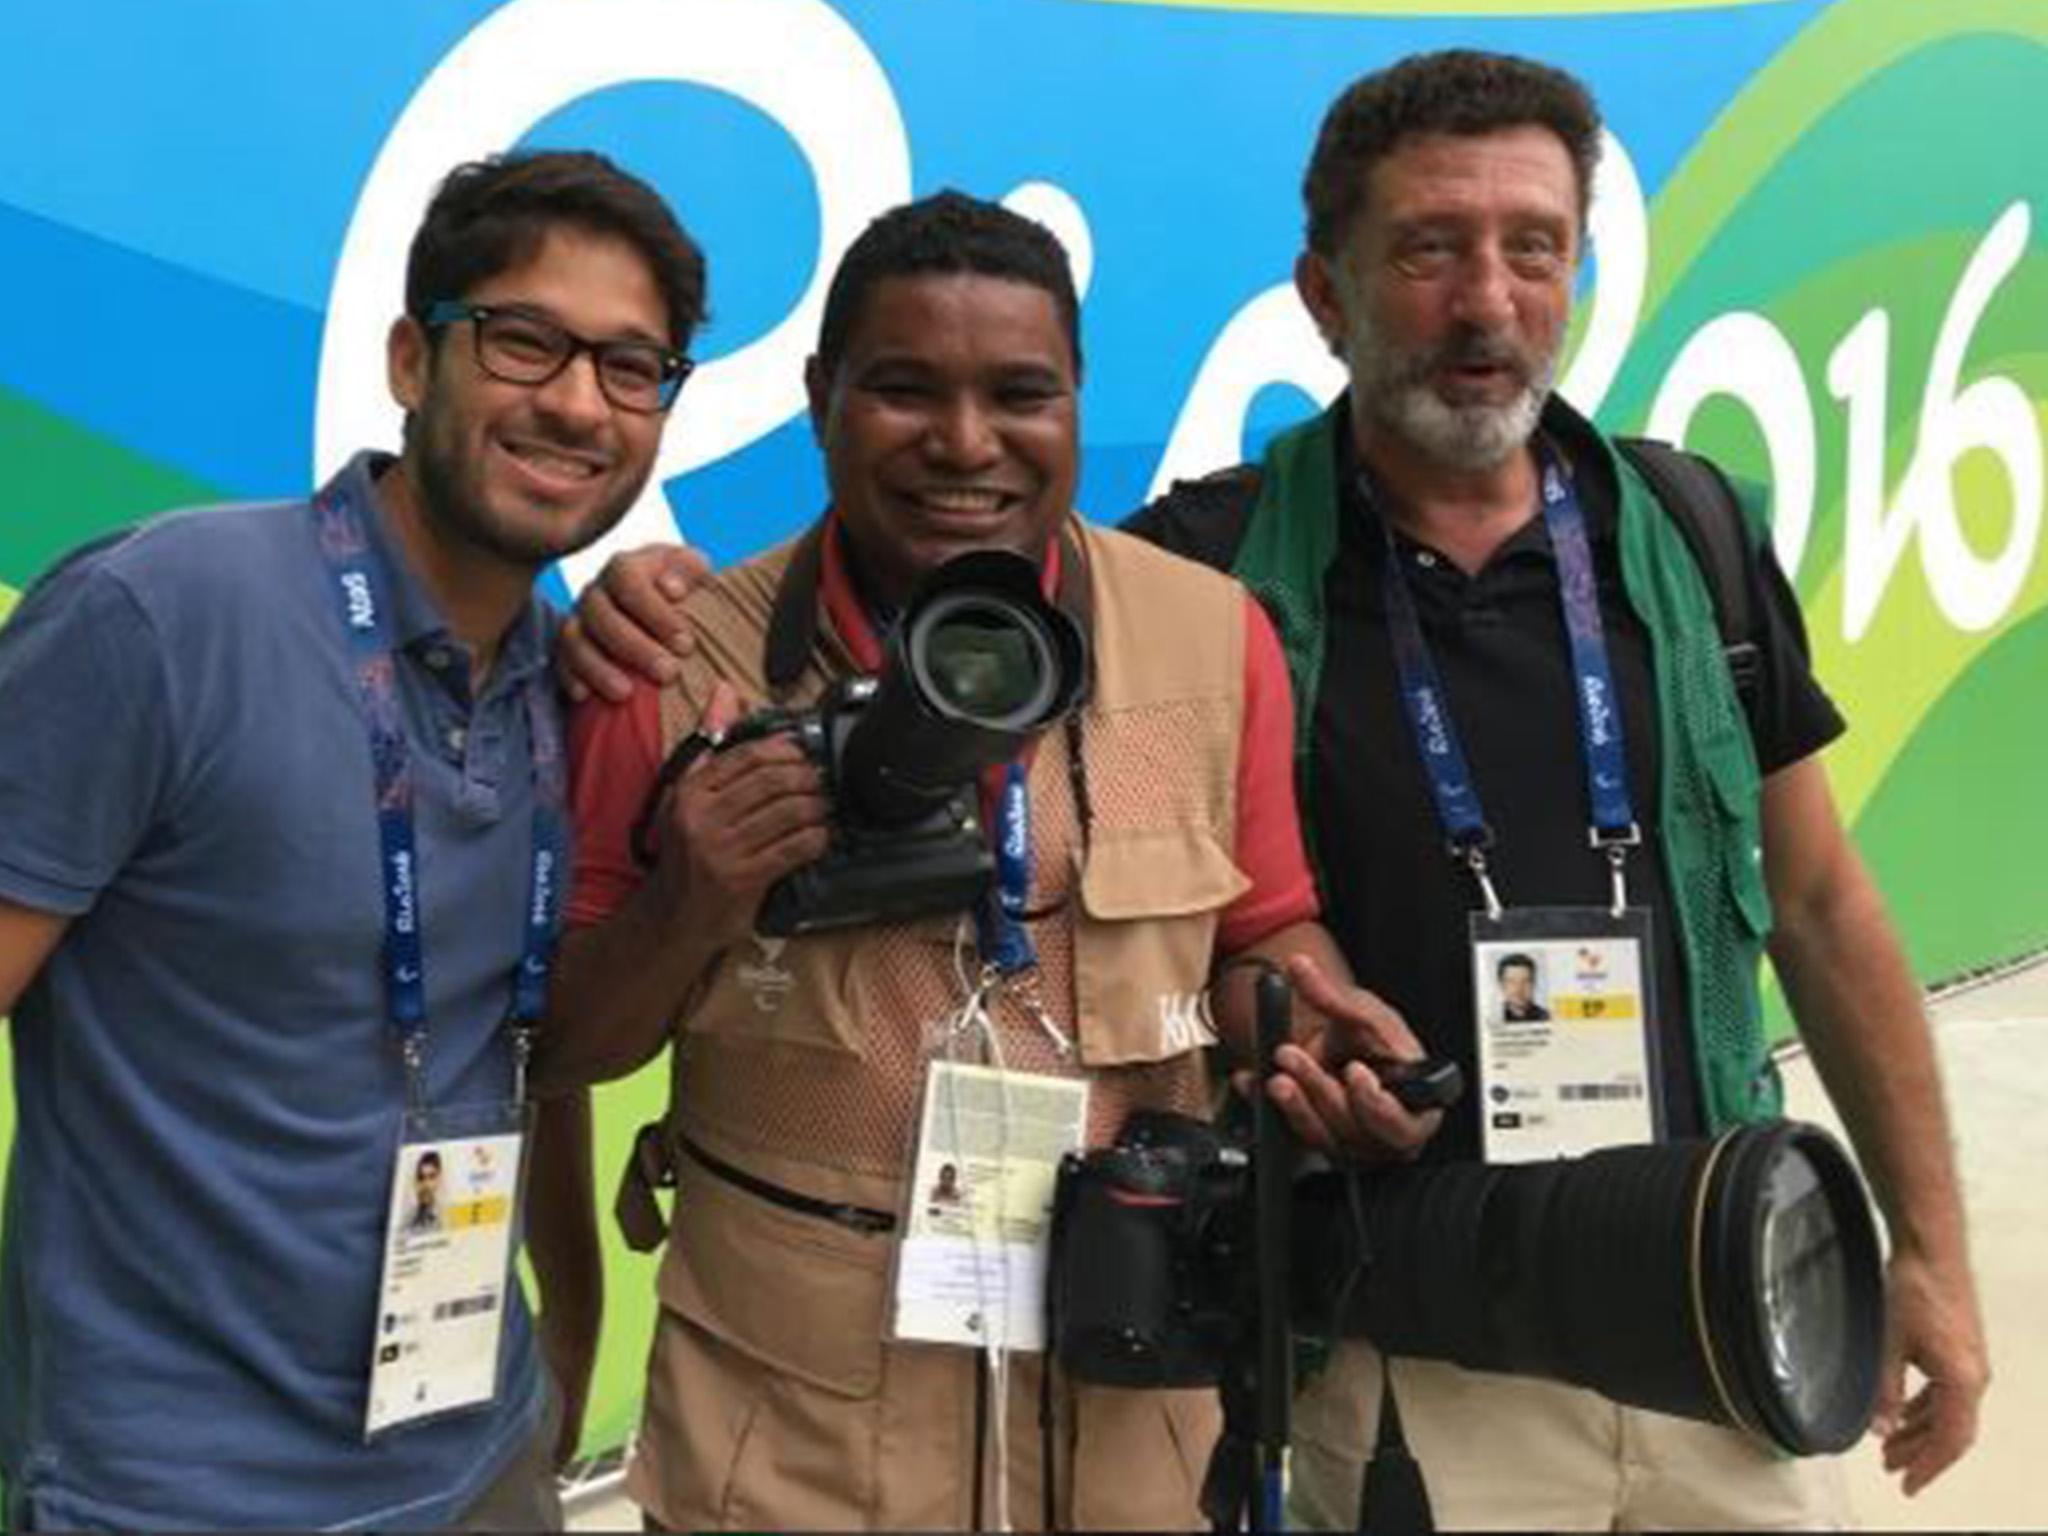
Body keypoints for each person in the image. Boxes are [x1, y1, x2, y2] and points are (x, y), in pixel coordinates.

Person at [564, 50, 1988, 1532]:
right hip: (1400, 1337)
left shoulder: (1685, 543)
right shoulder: (1208, 571)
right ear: (1326, 291)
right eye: (1428, 249)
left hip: (1698, 1298)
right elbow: (956, 584)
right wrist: (651, 627)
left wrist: (1928, 1253)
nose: (1485, 301)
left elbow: (1817, 904)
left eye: (1532, 248)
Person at [537, 190, 1438, 1531]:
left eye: (1020, 394)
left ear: (1076, 399)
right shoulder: (676, 669)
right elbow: (569, 1047)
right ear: (820, 393)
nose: (966, 445)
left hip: (1133, 1426)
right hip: (785, 1458)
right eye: (904, 390)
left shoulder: (1212, 638)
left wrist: (1322, 1034)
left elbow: (1267, 932)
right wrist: (694, 897)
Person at [0, 149, 704, 1529]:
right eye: (525, 340)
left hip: (477, 1458)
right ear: (408, 358)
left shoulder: (569, 689)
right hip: (171, 1492)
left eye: (633, 368)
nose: (576, 401)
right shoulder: (162, 617)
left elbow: (514, 1052)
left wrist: (566, 1343)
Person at [1496, 953, 1549, 1022]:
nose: (1519, 989)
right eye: (1512, 982)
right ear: (1502, 985)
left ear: (1534, 984)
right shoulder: (1494, 1018)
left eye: (1525, 981)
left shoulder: (1546, 1017)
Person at [407, 1149, 449, 1233]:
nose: (426, 1185)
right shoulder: (407, 1221)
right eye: (421, 1178)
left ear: (439, 1179)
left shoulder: (446, 1218)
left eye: (432, 1177)